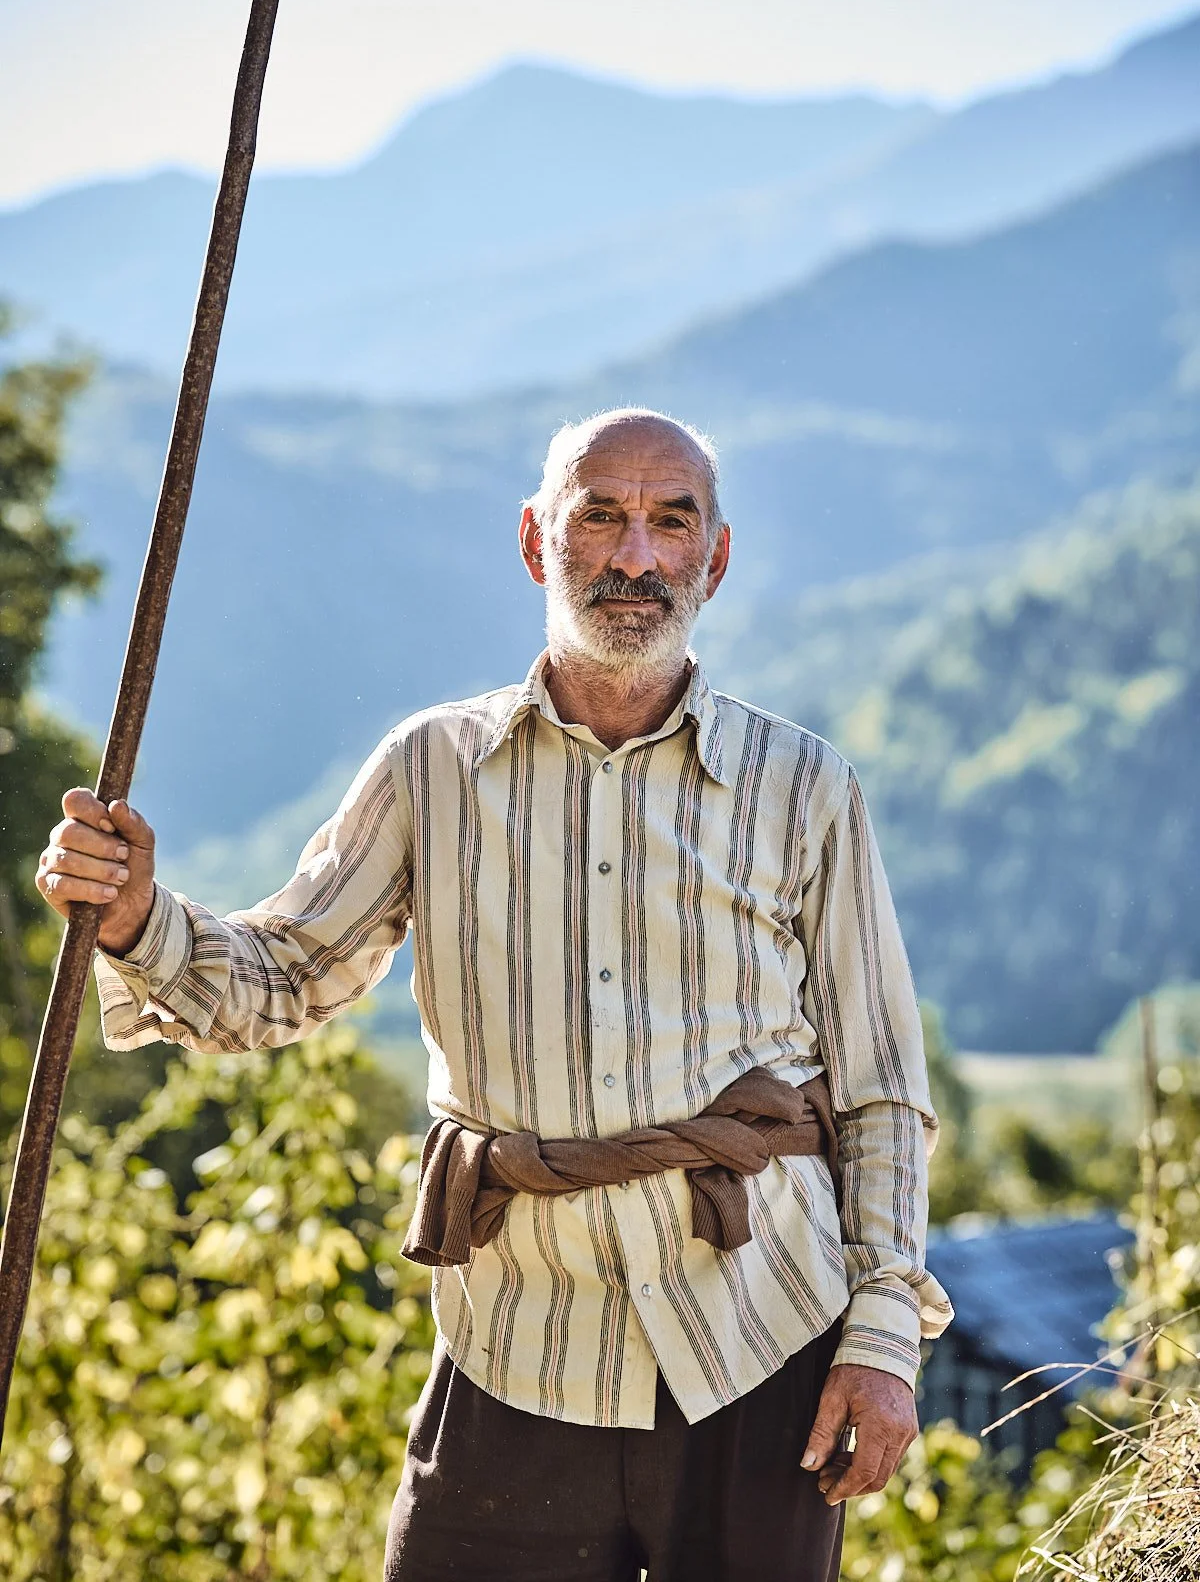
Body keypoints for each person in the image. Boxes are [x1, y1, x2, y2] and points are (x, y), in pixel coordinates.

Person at [37, 408, 952, 1581]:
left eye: (672, 522)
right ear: (537, 542)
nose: (636, 556)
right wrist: (133, 921)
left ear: (714, 558)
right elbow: (279, 981)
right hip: (518, 1346)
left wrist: (880, 1340)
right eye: (601, 516)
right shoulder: (433, 767)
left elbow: (881, 1092)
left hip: (759, 1340)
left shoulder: (804, 786)